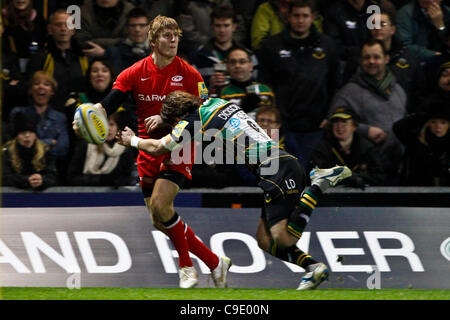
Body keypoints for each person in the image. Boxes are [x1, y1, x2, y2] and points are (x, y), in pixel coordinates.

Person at [117, 91, 352, 290]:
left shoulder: (192, 121)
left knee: (283, 237)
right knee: (264, 240)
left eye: (174, 122)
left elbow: (158, 147)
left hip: (275, 169)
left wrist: (132, 140)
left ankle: (317, 186)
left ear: (179, 117)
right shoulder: (218, 102)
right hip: (279, 164)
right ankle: (312, 267)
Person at [72, 15, 228, 289]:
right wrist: (85, 118)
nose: (173, 40)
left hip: (179, 145)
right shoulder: (134, 72)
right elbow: (106, 105)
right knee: (159, 219)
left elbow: (204, 113)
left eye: (176, 35)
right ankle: (214, 261)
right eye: (167, 36)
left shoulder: (190, 74)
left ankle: (186, 267)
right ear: (153, 41)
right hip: (147, 148)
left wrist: (168, 120)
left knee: (161, 205)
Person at [258, 0, 340, 167]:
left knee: (310, 173)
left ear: (313, 18)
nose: (300, 20)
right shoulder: (271, 46)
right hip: (283, 126)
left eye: (305, 16)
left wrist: (328, 116)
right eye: (296, 15)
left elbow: (335, 84)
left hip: (317, 125)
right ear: (288, 17)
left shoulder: (328, 45)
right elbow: (264, 85)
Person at [329, 39, 407, 183]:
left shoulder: (398, 90)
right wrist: (365, 130)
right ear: (360, 61)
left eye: (376, 57)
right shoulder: (348, 92)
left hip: (398, 166)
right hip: (368, 169)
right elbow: (332, 122)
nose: (371, 61)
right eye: (367, 57)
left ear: (386, 59)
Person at [344, 10, 427, 112]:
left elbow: (419, 91)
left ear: (392, 29)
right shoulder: (358, 56)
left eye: (382, 24)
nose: (377, 28)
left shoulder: (408, 57)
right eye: (373, 24)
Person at [26, 9, 89, 110]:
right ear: (50, 29)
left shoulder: (83, 57)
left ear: (73, 30)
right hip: (50, 111)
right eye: (59, 25)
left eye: (67, 25)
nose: (63, 29)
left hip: (79, 110)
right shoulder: (40, 57)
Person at [310, 107, 385, 188]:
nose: (339, 126)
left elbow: (379, 177)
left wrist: (358, 179)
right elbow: (318, 175)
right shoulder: (322, 148)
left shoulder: (367, 148)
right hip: (331, 198)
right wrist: (349, 178)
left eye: (344, 122)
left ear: (354, 126)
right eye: (335, 122)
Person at [9, 71, 70, 170]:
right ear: (30, 90)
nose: (41, 87)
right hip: (21, 168)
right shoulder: (18, 113)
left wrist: (32, 146)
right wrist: (50, 142)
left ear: (52, 91)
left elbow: (62, 150)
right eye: (36, 83)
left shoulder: (60, 118)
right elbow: (13, 146)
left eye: (46, 84)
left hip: (51, 169)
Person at [189, 4, 257, 90]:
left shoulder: (249, 56)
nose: (222, 30)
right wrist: (208, 86)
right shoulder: (198, 57)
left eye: (226, 25)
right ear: (212, 27)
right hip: (212, 102)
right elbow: (193, 93)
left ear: (234, 27)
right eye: (218, 25)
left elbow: (257, 87)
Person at [67, 111, 135, 187]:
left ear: (117, 128)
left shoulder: (125, 150)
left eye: (111, 124)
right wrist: (100, 180)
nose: (108, 129)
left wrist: (115, 182)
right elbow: (72, 178)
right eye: (103, 125)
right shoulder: (86, 145)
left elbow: (127, 178)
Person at [393, 101, 450, 185]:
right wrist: (424, 116)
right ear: (427, 124)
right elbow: (398, 127)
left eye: (443, 123)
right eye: (433, 122)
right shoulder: (416, 141)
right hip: (418, 188)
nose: (438, 126)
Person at [2, 112, 58, 190]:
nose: (27, 136)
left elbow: (53, 177)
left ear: (35, 135)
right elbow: (4, 178)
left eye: (31, 132)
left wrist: (42, 180)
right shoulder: (7, 153)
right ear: (17, 136)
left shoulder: (45, 152)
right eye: (23, 133)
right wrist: (26, 180)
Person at [218, 47, 275, 118]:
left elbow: (274, 122)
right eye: (233, 62)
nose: (237, 66)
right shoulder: (221, 92)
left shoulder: (265, 90)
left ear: (251, 66)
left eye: (242, 62)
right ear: (227, 66)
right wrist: (244, 109)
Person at [1, 0, 47, 73]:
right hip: (9, 66)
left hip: (35, 65)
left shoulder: (38, 19)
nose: (20, 0)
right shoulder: (3, 19)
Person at [105, 7, 152, 73]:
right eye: (133, 26)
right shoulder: (115, 51)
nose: (137, 29)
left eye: (142, 25)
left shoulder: (159, 50)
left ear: (149, 27)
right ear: (126, 28)